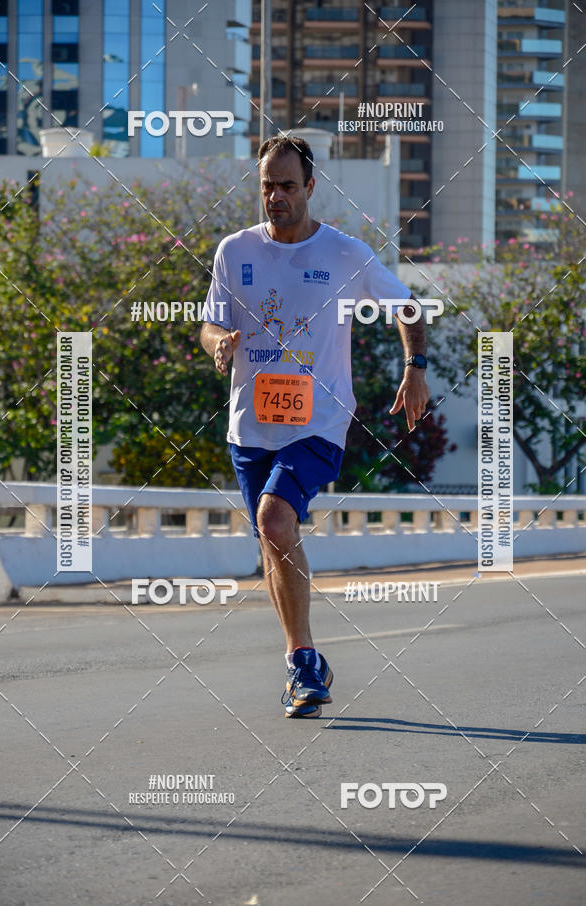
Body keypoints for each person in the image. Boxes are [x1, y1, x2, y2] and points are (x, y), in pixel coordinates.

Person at [201, 135, 430, 718]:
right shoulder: (234, 251)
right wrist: (219, 344)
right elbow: (209, 326)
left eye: (286, 186)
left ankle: (302, 663)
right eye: (266, 187)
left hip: (319, 421)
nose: (274, 197)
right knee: (272, 538)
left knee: (274, 518)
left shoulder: (345, 253)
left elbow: (407, 306)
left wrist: (415, 369)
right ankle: (303, 660)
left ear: (309, 187)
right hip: (250, 425)